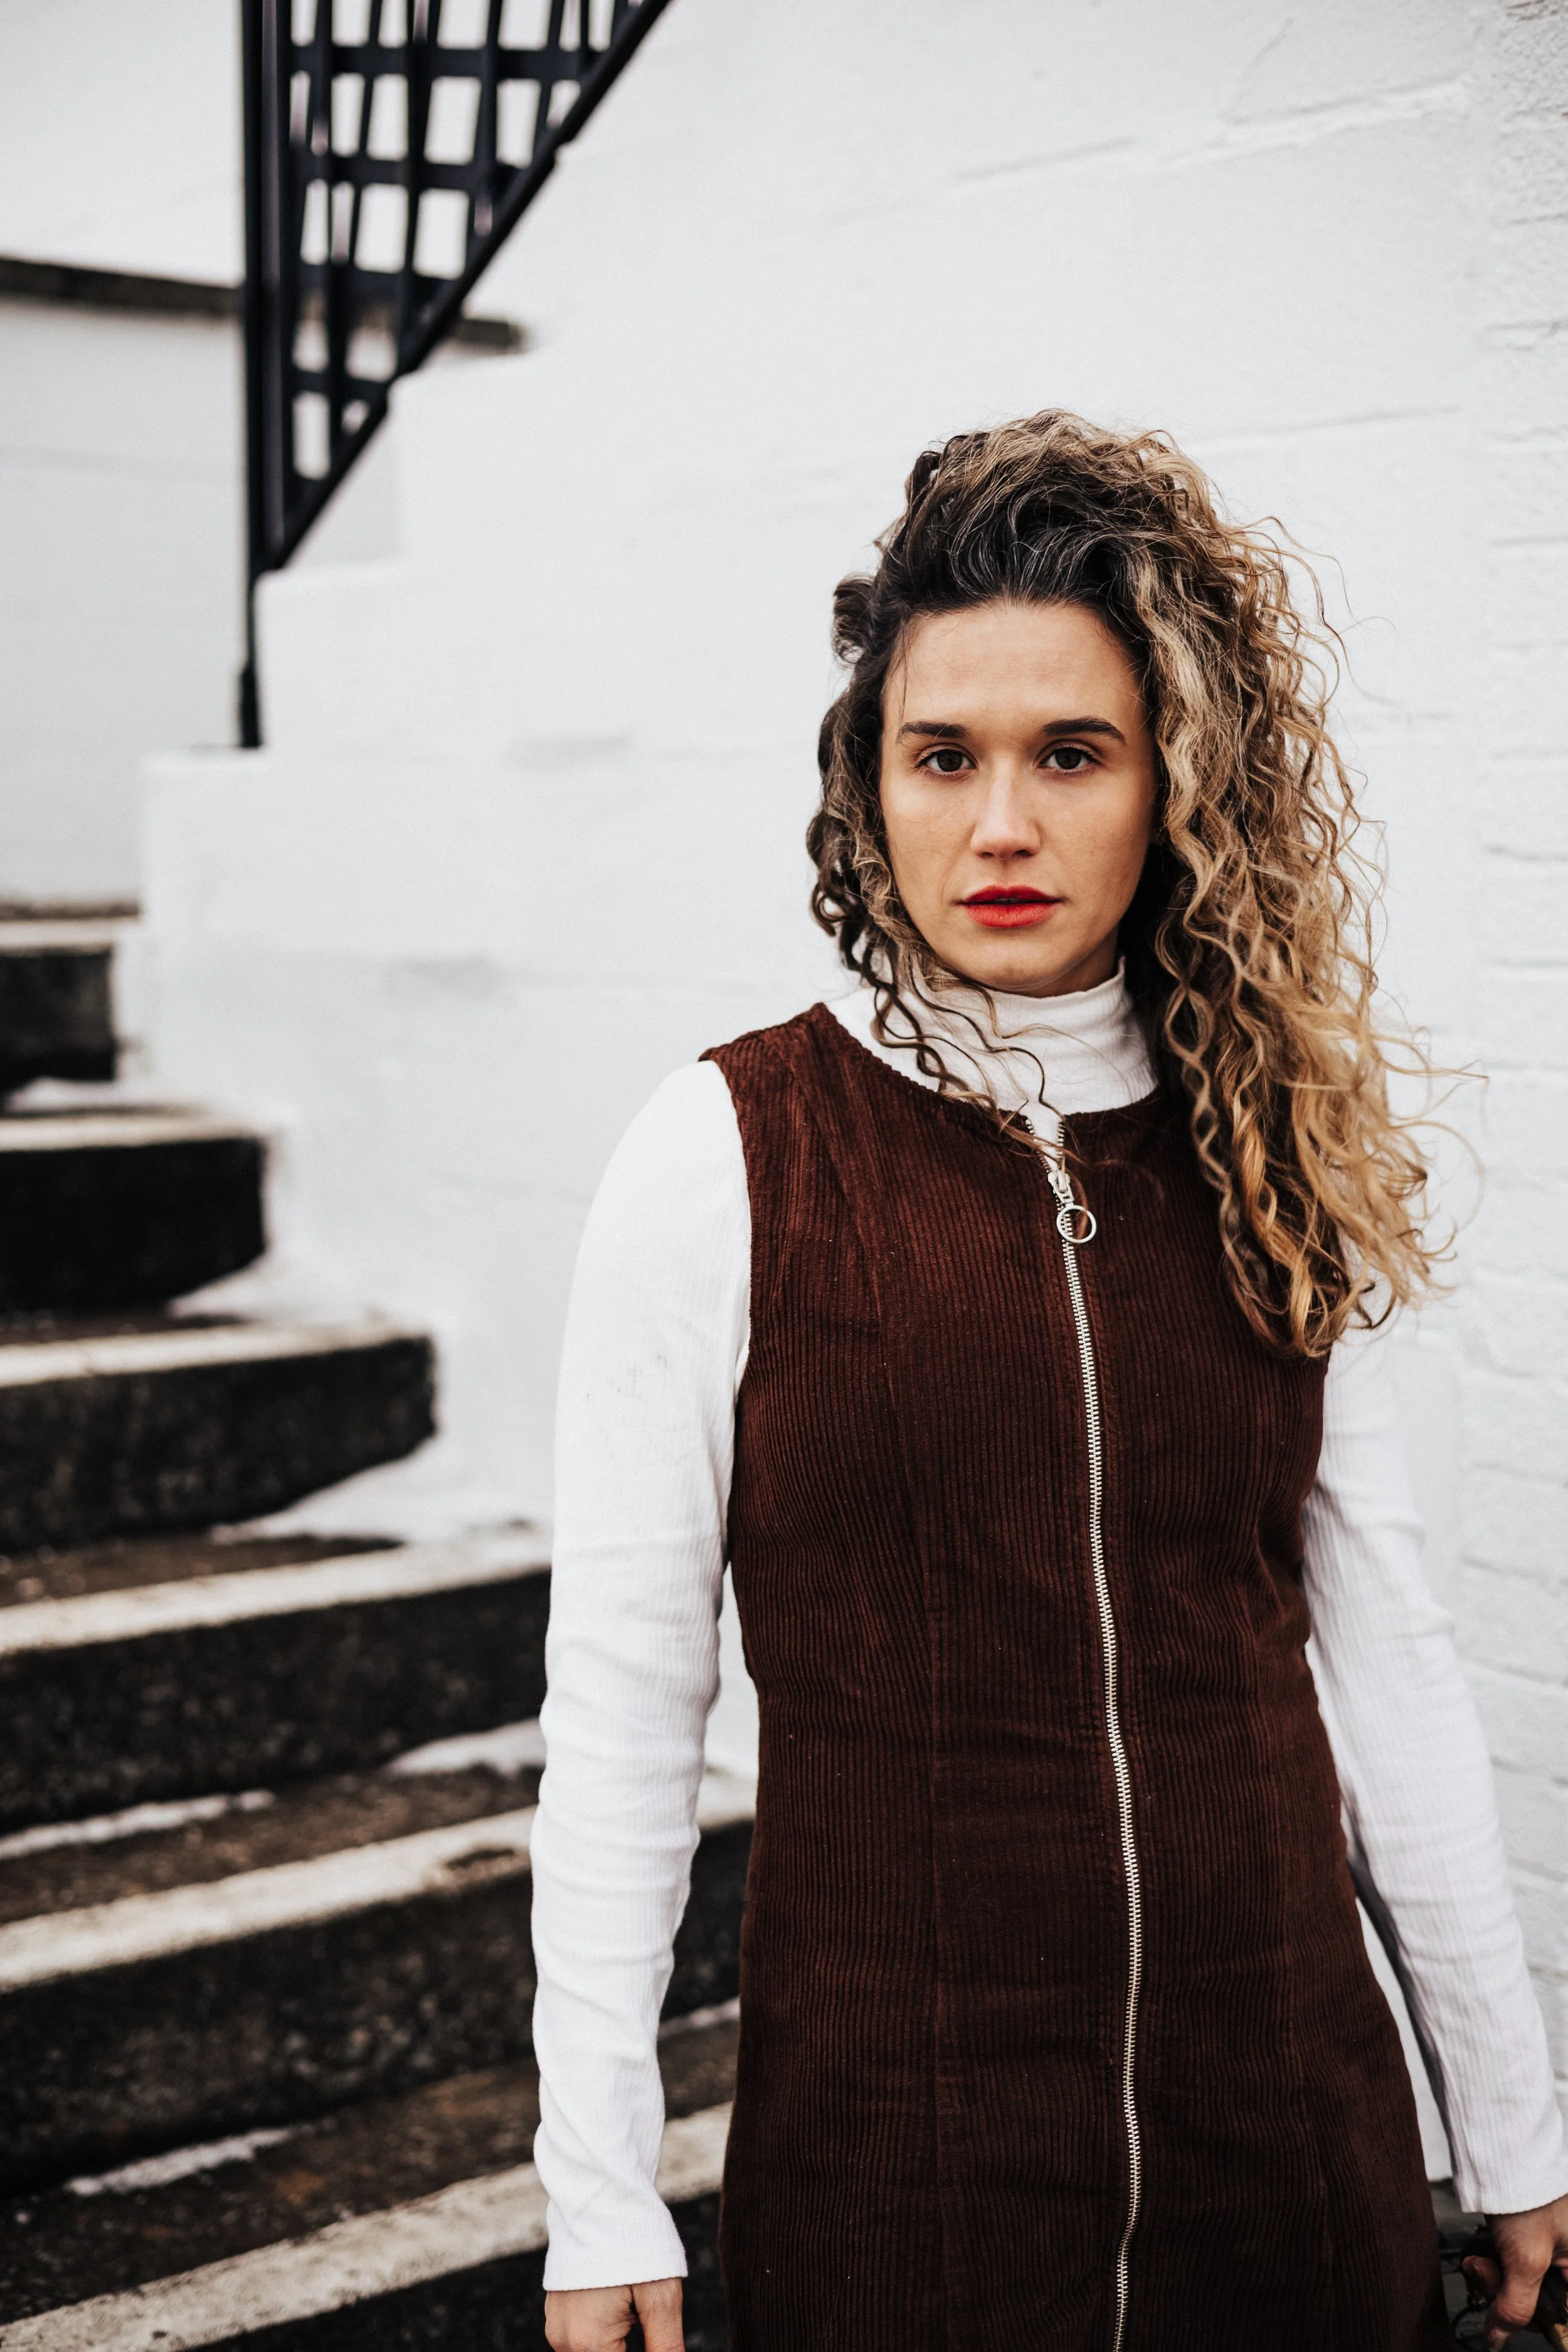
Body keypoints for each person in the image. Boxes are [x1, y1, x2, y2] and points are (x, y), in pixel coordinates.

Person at [529, 413, 1568, 2352]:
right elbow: (619, 1710)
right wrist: (598, 2193)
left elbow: (1390, 1664)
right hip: (904, 2176)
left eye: (1068, 754)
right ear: (868, 784)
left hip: (1289, 2153)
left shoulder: (1266, 1145)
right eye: (944, 756)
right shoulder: (730, 1151)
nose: (999, 823)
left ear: (1170, 780)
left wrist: (1514, 2124)